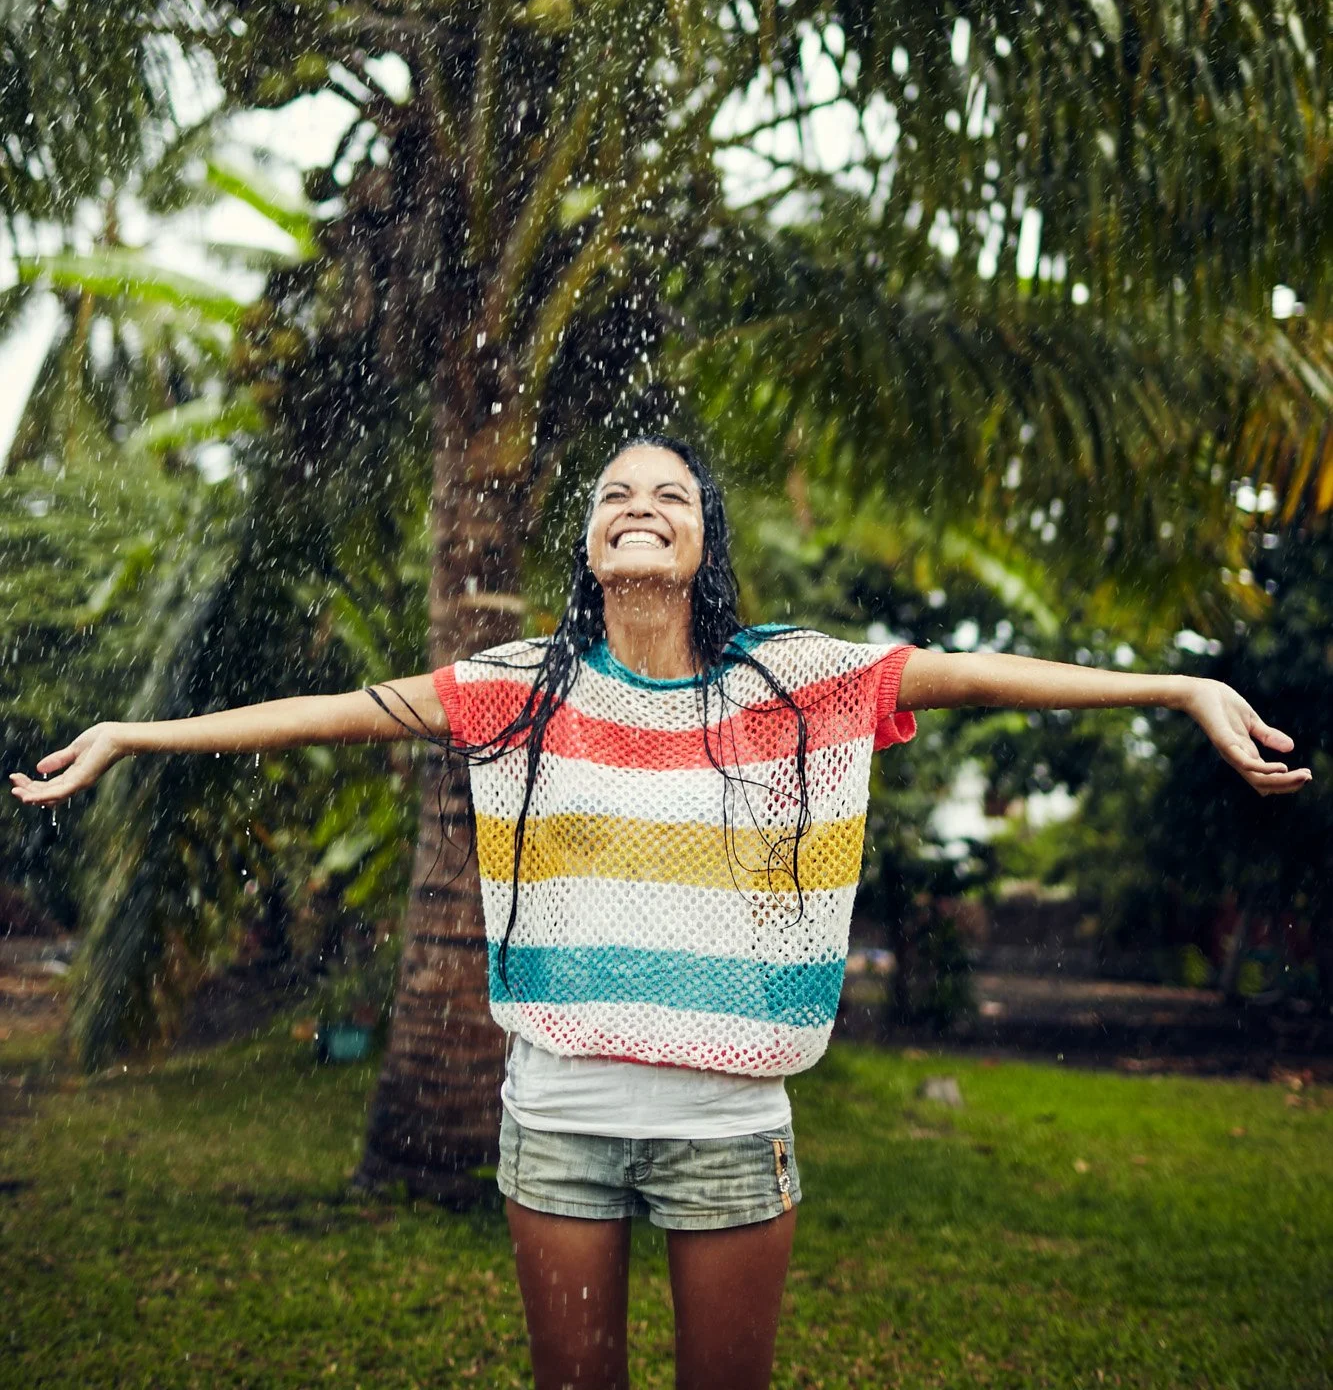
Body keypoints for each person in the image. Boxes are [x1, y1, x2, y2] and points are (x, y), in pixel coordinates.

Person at [9, 436, 1311, 1390]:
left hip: (735, 1128)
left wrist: (1173, 688)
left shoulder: (791, 684)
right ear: (590, 545)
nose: (640, 509)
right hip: (558, 1119)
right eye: (615, 497)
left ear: (702, 544)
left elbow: (978, 675)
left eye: (670, 496)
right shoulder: (519, 684)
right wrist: (133, 729)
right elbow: (332, 710)